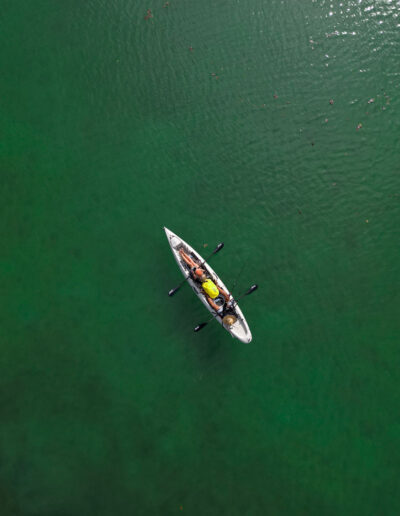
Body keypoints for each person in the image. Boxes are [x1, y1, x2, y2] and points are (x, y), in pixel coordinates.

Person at [179, 248, 232, 313]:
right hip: (196, 271)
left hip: (196, 270)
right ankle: (182, 253)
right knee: (190, 262)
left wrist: (198, 270)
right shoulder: (203, 279)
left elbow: (199, 274)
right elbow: (199, 275)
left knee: (190, 262)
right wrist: (198, 271)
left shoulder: (203, 277)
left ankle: (182, 253)